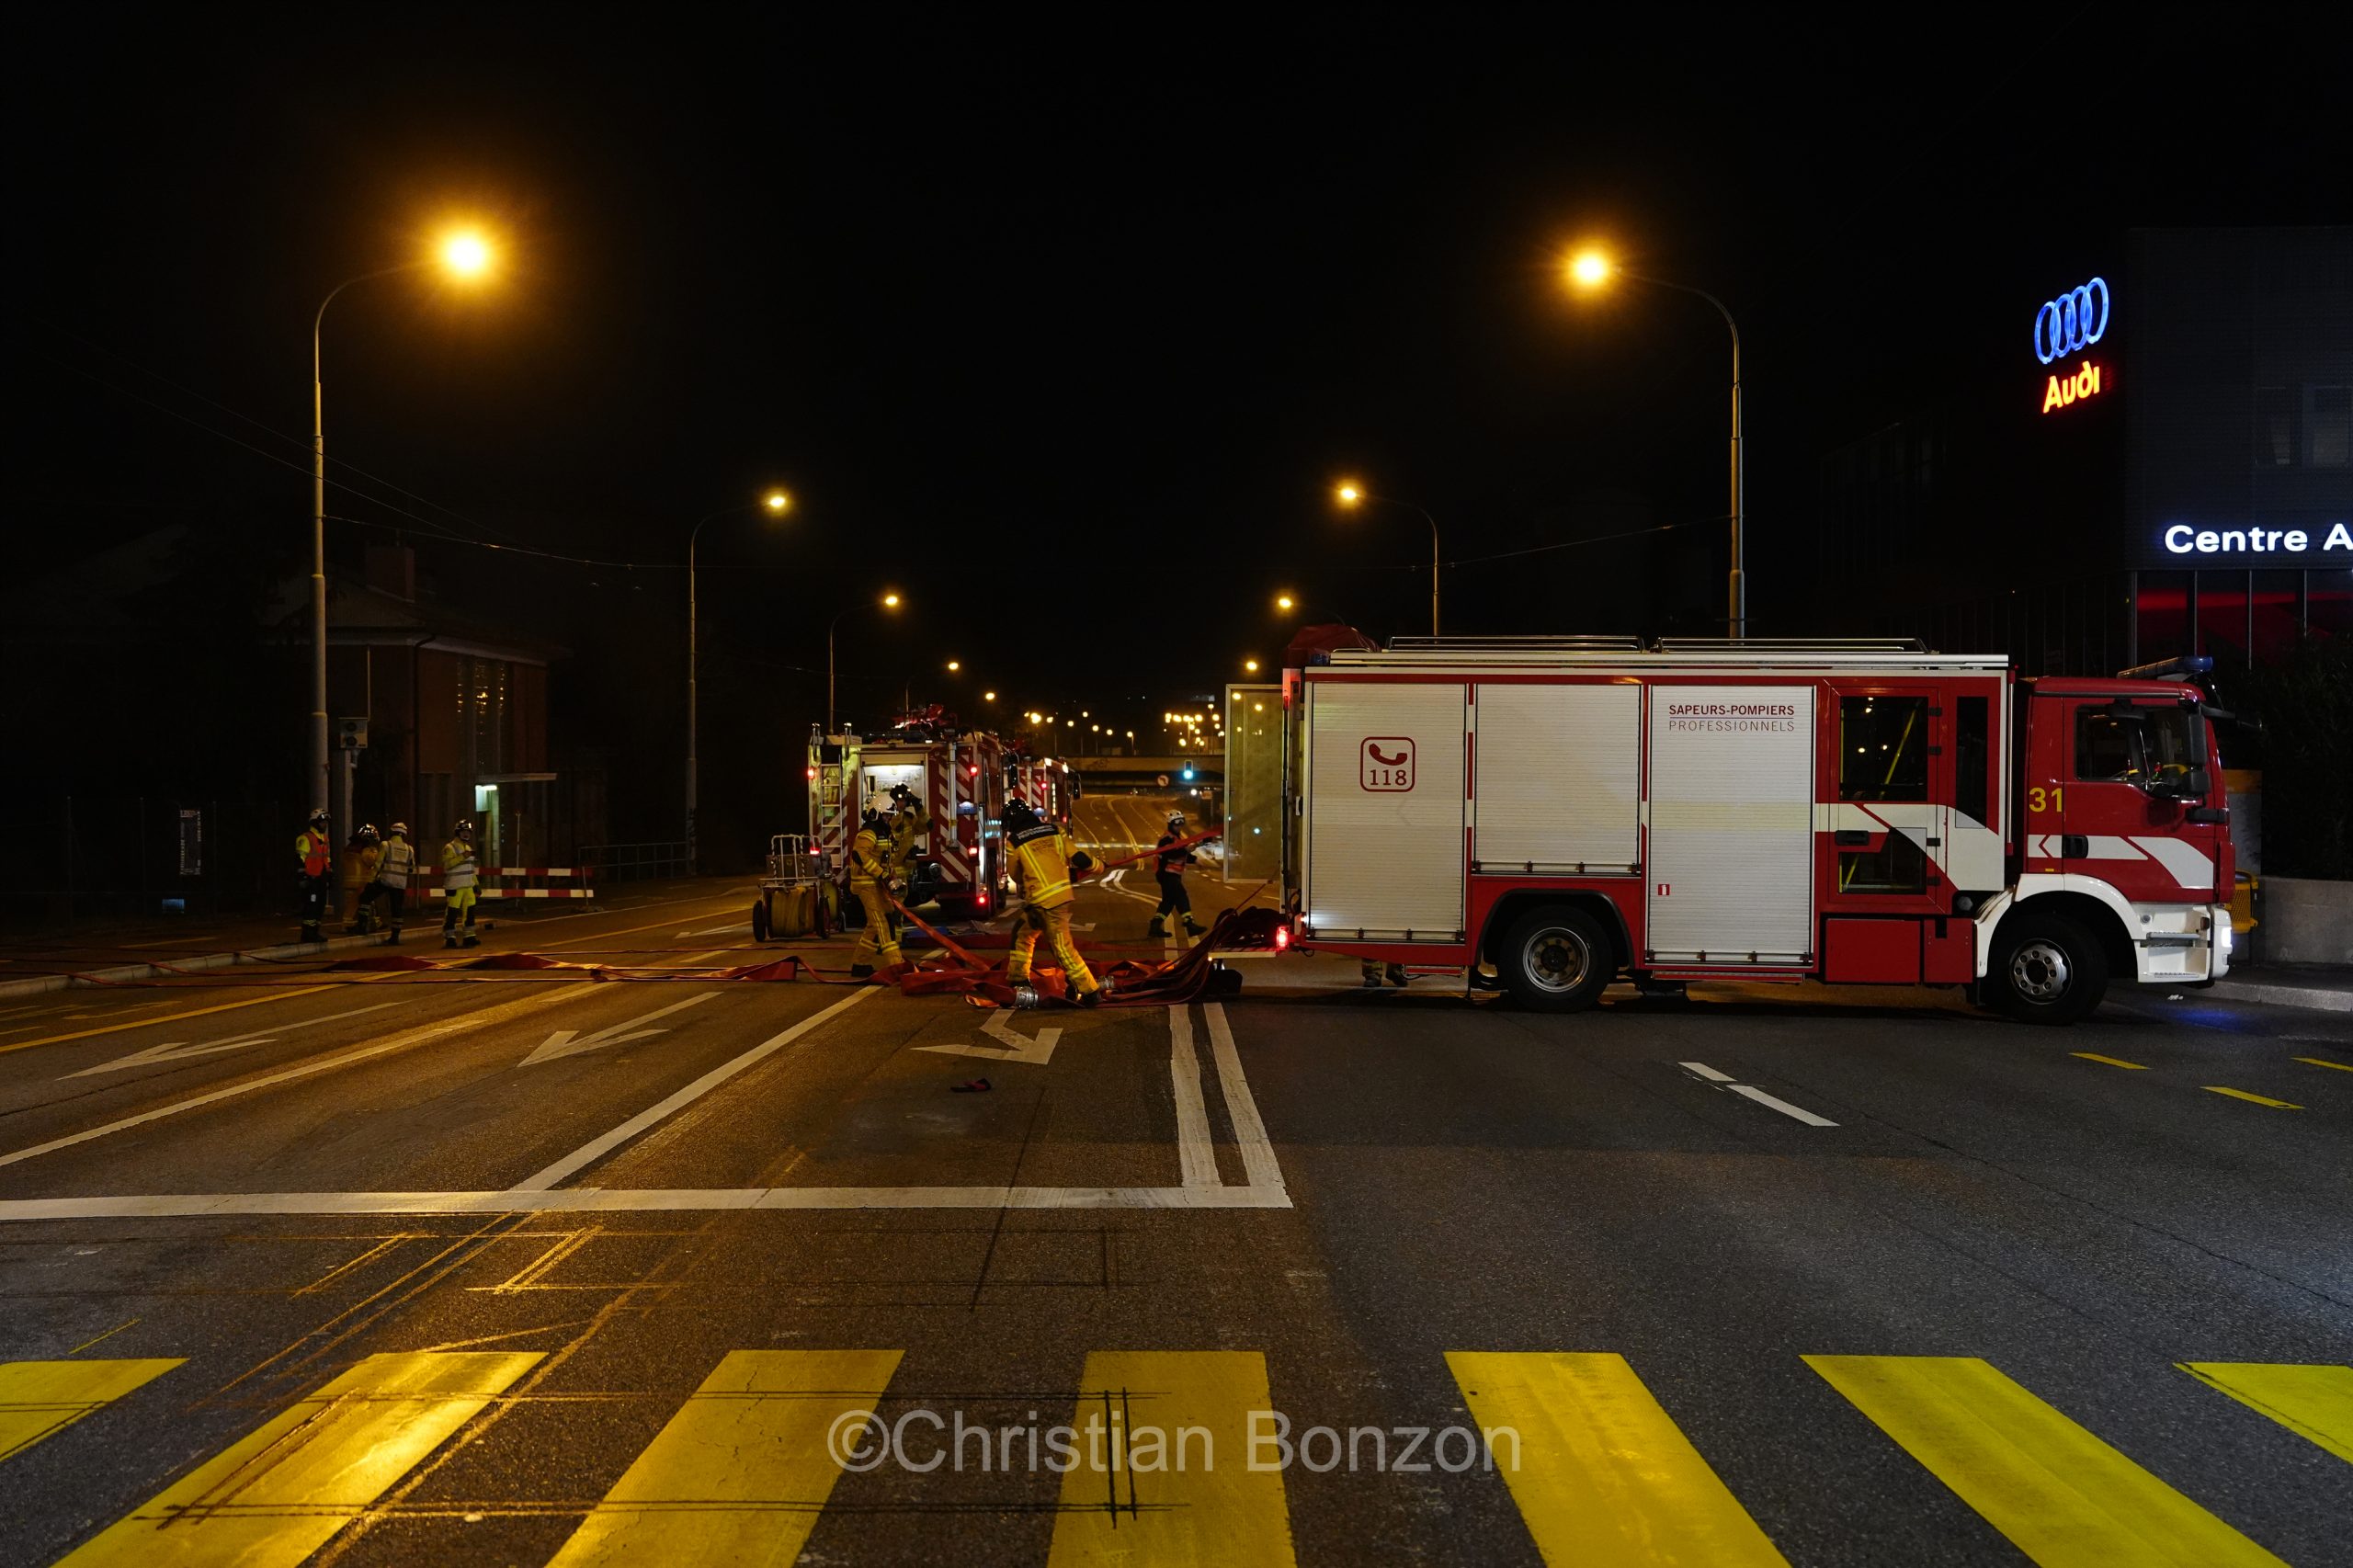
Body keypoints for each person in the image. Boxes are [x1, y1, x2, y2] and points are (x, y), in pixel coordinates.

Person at [1002, 797, 1102, 1006]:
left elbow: (1015, 875)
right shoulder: (1056, 831)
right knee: (1023, 933)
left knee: (1061, 948)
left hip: (1041, 900)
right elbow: (1079, 858)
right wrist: (1099, 866)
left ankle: (1090, 991)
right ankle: (1018, 978)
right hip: (1057, 898)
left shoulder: (1014, 841)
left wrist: (1028, 880)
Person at [847, 805, 902, 979]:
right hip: (866, 884)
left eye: (890, 815)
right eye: (885, 815)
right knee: (881, 923)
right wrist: (881, 874)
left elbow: (885, 857)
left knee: (879, 921)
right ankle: (897, 965)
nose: (888, 818)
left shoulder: (884, 832)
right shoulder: (868, 832)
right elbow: (859, 856)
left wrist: (890, 875)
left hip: (877, 883)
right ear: (875, 814)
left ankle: (860, 965)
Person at [1147, 810, 1206, 940]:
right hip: (1167, 874)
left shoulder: (1177, 839)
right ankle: (1189, 923)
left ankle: (1155, 926)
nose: (1179, 826)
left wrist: (1194, 859)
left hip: (1173, 875)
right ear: (1170, 824)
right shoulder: (1166, 839)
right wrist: (1187, 849)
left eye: (1181, 823)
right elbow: (1173, 853)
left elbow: (1182, 853)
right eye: (1176, 824)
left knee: (1168, 902)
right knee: (1181, 896)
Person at [295, 807, 335, 943]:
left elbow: (326, 858)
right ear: (314, 822)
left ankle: (315, 932)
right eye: (322, 822)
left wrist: (329, 874)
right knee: (311, 907)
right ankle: (308, 934)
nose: (325, 825)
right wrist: (303, 877)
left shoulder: (324, 838)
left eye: (326, 823)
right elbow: (300, 859)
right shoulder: (306, 838)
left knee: (320, 906)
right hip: (311, 877)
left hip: (321, 878)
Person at [441, 819, 482, 949]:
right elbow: (447, 866)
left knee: (469, 913)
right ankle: (450, 938)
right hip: (455, 886)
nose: (466, 834)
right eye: (464, 831)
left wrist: (476, 884)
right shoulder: (450, 848)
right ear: (458, 832)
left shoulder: (468, 848)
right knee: (452, 914)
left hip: (468, 886)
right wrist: (463, 856)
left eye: (468, 832)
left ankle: (469, 937)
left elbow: (471, 869)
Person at [373, 822, 415, 944]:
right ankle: (395, 937)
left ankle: (363, 926)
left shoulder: (386, 845)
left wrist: (371, 879)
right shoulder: (409, 849)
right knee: (397, 910)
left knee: (365, 898)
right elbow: (411, 868)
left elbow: (378, 864)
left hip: (385, 880)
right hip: (400, 883)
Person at [340, 824, 381, 934]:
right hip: (361, 882)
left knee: (351, 906)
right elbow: (371, 861)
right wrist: (375, 853)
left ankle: (348, 925)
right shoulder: (365, 851)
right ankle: (350, 926)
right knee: (364, 904)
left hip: (349, 882)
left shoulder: (349, 850)